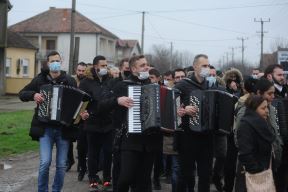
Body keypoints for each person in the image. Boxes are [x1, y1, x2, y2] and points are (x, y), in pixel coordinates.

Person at [98, 55, 162, 192]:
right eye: (142, 65)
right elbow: (101, 106)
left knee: (144, 181)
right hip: (130, 140)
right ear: (133, 69)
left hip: (150, 141)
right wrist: (117, 100)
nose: (146, 67)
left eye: (147, 64)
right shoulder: (122, 85)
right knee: (126, 177)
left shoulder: (154, 87)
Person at [18, 51, 78, 192]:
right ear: (48, 63)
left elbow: (78, 103)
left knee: (62, 165)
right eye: (52, 61)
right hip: (45, 128)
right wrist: (34, 95)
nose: (55, 63)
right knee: (45, 162)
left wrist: (82, 112)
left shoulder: (69, 80)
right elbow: (22, 94)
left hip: (63, 129)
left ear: (61, 62)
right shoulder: (40, 80)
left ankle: (56, 190)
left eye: (57, 60)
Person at [174, 54, 213, 192]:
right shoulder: (182, 85)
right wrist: (183, 109)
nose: (207, 68)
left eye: (208, 65)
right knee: (186, 175)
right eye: (204, 66)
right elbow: (172, 109)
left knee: (205, 175)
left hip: (207, 138)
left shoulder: (212, 85)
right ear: (195, 66)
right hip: (188, 138)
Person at [79, 55, 114, 191]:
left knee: (108, 152)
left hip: (108, 123)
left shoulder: (111, 81)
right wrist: (83, 112)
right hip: (92, 123)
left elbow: (114, 99)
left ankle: (107, 178)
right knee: (92, 152)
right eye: (103, 65)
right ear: (95, 67)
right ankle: (92, 178)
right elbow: (81, 101)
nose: (105, 68)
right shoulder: (86, 82)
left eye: (106, 65)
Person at [235, 95, 276, 192]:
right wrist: (259, 170)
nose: (267, 111)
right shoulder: (246, 126)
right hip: (252, 178)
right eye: (263, 108)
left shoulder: (263, 122)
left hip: (264, 174)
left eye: (267, 107)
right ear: (253, 109)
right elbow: (245, 154)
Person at [66, 62, 88, 173]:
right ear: (76, 70)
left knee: (81, 141)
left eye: (83, 71)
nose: (81, 72)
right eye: (79, 70)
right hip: (71, 114)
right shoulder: (71, 80)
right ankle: (69, 161)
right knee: (68, 138)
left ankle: (82, 163)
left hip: (84, 114)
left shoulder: (89, 81)